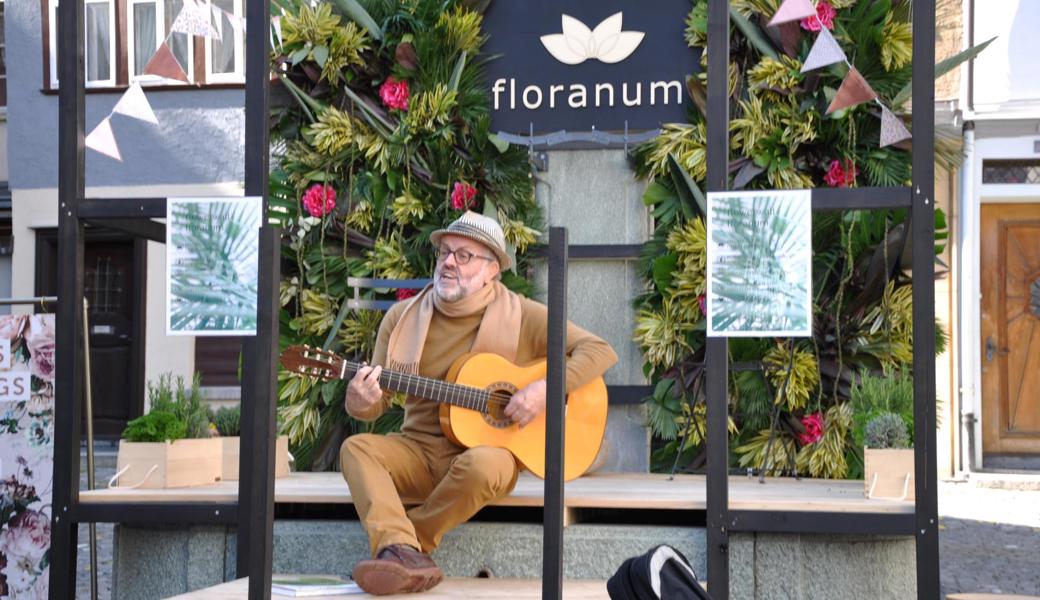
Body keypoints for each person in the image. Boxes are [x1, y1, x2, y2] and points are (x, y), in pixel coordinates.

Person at [340, 211, 618, 595]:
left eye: (464, 255)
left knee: (486, 464)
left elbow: (599, 350)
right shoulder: (402, 319)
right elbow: (376, 403)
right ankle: (401, 550)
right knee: (356, 448)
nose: (449, 262)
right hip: (417, 452)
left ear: (492, 270)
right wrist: (359, 399)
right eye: (444, 253)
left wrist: (544, 389)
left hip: (484, 456)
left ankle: (407, 546)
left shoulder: (521, 315)